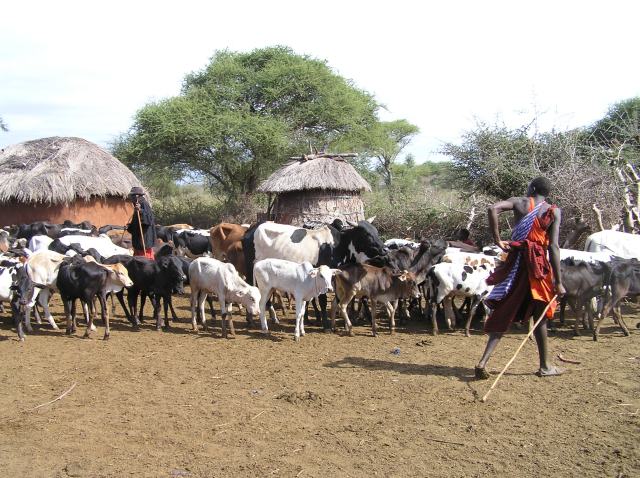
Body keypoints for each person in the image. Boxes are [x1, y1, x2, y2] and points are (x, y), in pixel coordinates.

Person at [475, 177, 566, 379]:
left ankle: (483, 361)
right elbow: (553, 247)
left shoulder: (520, 202)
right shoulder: (553, 211)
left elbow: (492, 209)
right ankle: (545, 366)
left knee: (504, 310)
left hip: (516, 264)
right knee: (540, 316)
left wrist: (497, 239)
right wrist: (558, 282)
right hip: (538, 268)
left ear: (532, 188)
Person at [126, 186, 157, 259]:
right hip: (138, 242)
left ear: (137, 196)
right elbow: (136, 223)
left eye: (132, 196)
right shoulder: (137, 206)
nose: (131, 199)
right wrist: (130, 227)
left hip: (144, 241)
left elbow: (149, 220)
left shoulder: (144, 204)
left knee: (145, 262)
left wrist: (141, 211)